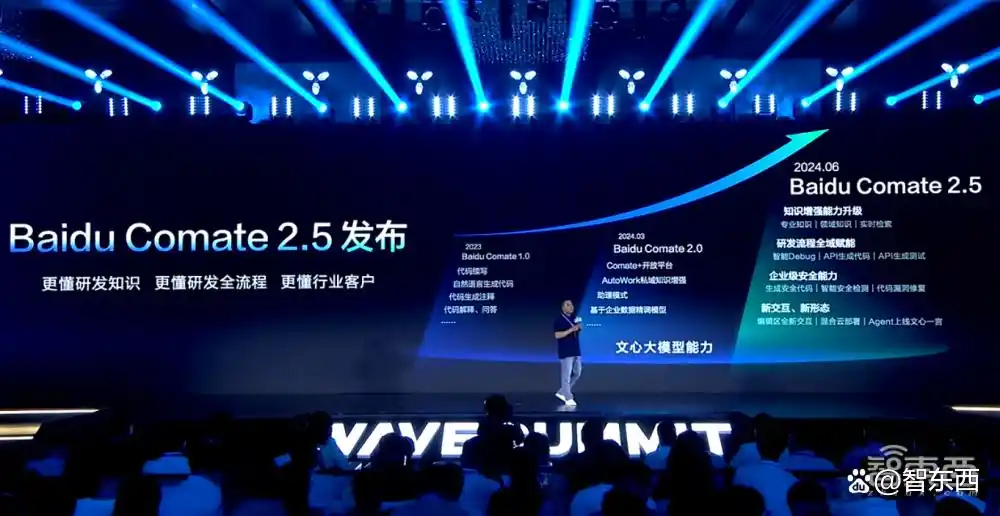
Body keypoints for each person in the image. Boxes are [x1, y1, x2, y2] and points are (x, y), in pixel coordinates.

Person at [553, 299, 583, 407]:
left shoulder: (574, 319)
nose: (571, 307)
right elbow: (557, 335)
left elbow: (576, 331)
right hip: (566, 351)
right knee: (566, 376)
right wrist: (571, 330)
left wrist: (579, 328)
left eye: (572, 305)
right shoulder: (559, 320)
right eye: (568, 305)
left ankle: (562, 392)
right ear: (563, 307)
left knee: (577, 373)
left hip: (576, 350)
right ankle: (568, 397)